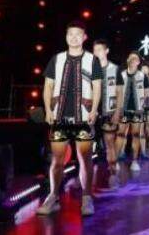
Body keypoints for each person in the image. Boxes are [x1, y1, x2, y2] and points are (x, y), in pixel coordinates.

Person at [37, 20, 103, 217]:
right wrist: (48, 110)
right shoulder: (56, 59)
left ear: (84, 37)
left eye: (78, 34)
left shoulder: (92, 60)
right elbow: (48, 86)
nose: (74, 38)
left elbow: (97, 87)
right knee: (57, 160)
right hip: (59, 117)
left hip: (83, 117)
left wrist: (94, 110)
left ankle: (87, 198)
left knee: (85, 159)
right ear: (66, 37)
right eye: (70, 34)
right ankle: (53, 197)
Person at [93, 39, 124, 190]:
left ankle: (113, 174)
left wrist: (117, 112)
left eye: (100, 49)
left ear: (106, 51)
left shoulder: (114, 69)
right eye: (95, 50)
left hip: (109, 112)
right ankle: (82, 178)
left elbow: (120, 92)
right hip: (92, 112)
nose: (97, 52)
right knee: (86, 146)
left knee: (109, 144)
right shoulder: (90, 69)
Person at [117, 52, 147, 173]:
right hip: (123, 110)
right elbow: (117, 92)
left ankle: (134, 161)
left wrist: (142, 106)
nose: (133, 60)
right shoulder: (121, 75)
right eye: (131, 58)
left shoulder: (142, 76)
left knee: (135, 135)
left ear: (138, 62)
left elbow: (146, 93)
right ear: (127, 60)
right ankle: (116, 161)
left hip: (137, 110)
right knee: (120, 134)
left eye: (135, 59)